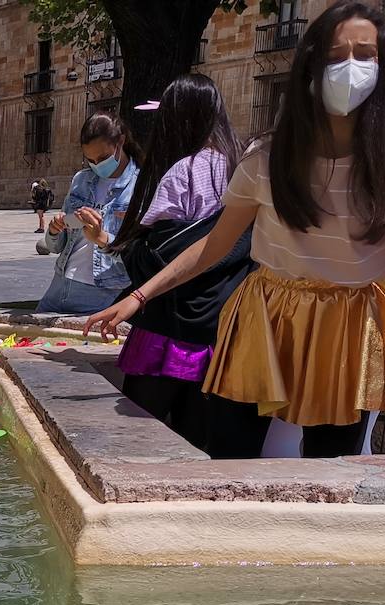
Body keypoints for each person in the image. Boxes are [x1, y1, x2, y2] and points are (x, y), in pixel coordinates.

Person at [86, 2, 385, 459]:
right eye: (335, 55)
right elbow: (213, 245)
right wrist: (138, 297)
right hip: (262, 318)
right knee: (230, 459)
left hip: (347, 328)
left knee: (328, 470)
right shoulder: (265, 158)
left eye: (364, 54)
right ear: (310, 66)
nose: (349, 68)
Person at [107, 74, 252, 452]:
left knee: (140, 442)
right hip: (223, 330)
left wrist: (123, 247)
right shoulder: (244, 166)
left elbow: (155, 253)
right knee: (200, 441)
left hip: (168, 333)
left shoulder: (184, 171)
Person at [36, 114, 141, 315]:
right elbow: (55, 246)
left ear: (121, 141)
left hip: (102, 294)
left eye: (102, 159)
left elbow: (138, 258)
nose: (97, 166)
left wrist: (102, 239)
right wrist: (54, 230)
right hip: (59, 285)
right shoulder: (81, 180)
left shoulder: (140, 186)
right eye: (90, 160)